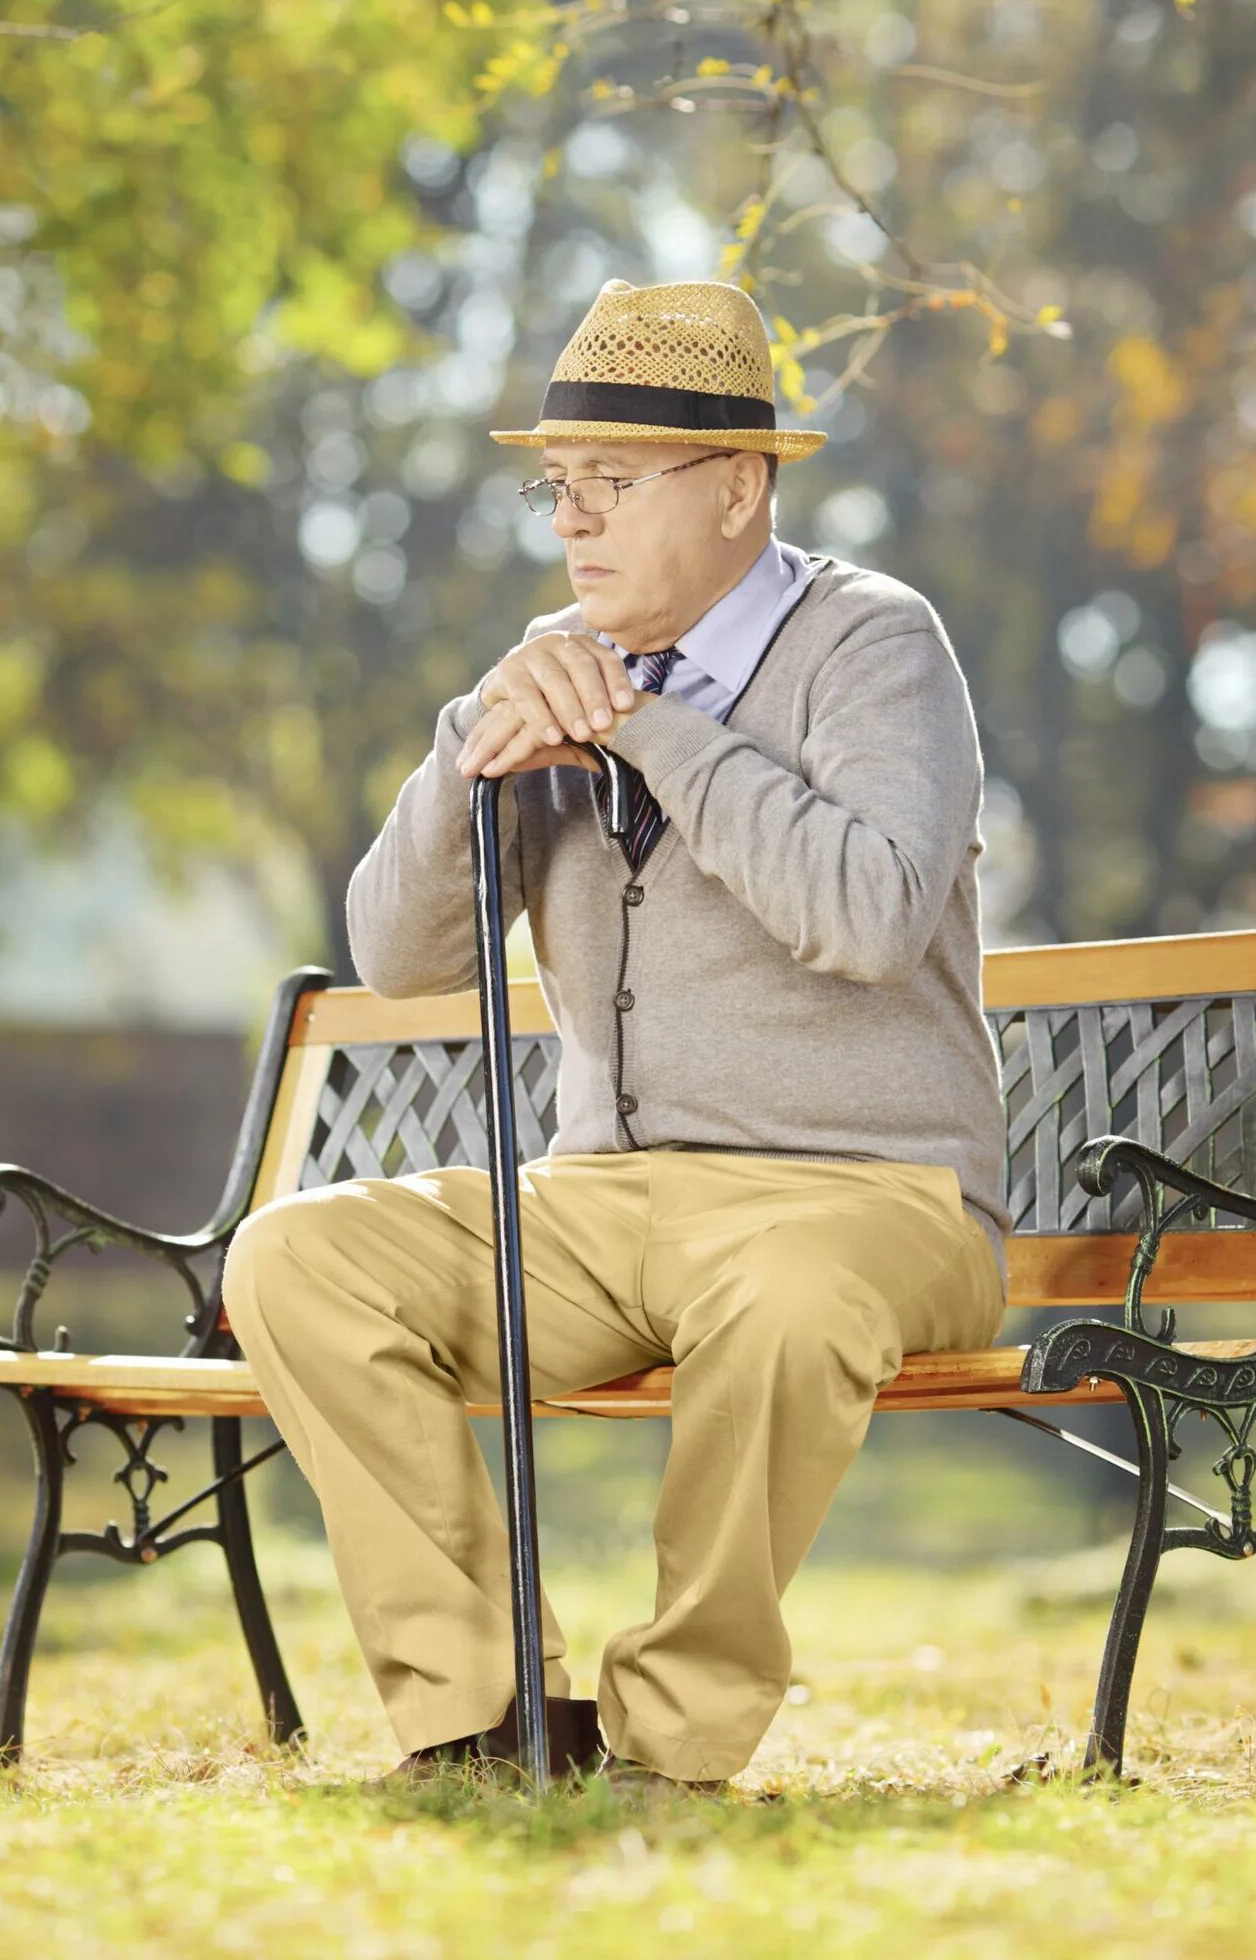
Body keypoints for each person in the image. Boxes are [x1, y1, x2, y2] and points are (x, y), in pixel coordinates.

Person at [221, 277, 1010, 1796]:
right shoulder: (552, 662)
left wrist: (649, 727)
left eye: (615, 484)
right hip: (602, 1203)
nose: (575, 522)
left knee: (784, 1298)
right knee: (296, 1259)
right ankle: (483, 1718)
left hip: (872, 1200)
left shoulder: (873, 643)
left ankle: (672, 1740)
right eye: (560, 486)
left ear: (738, 488)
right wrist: (475, 751)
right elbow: (400, 959)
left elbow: (865, 912)